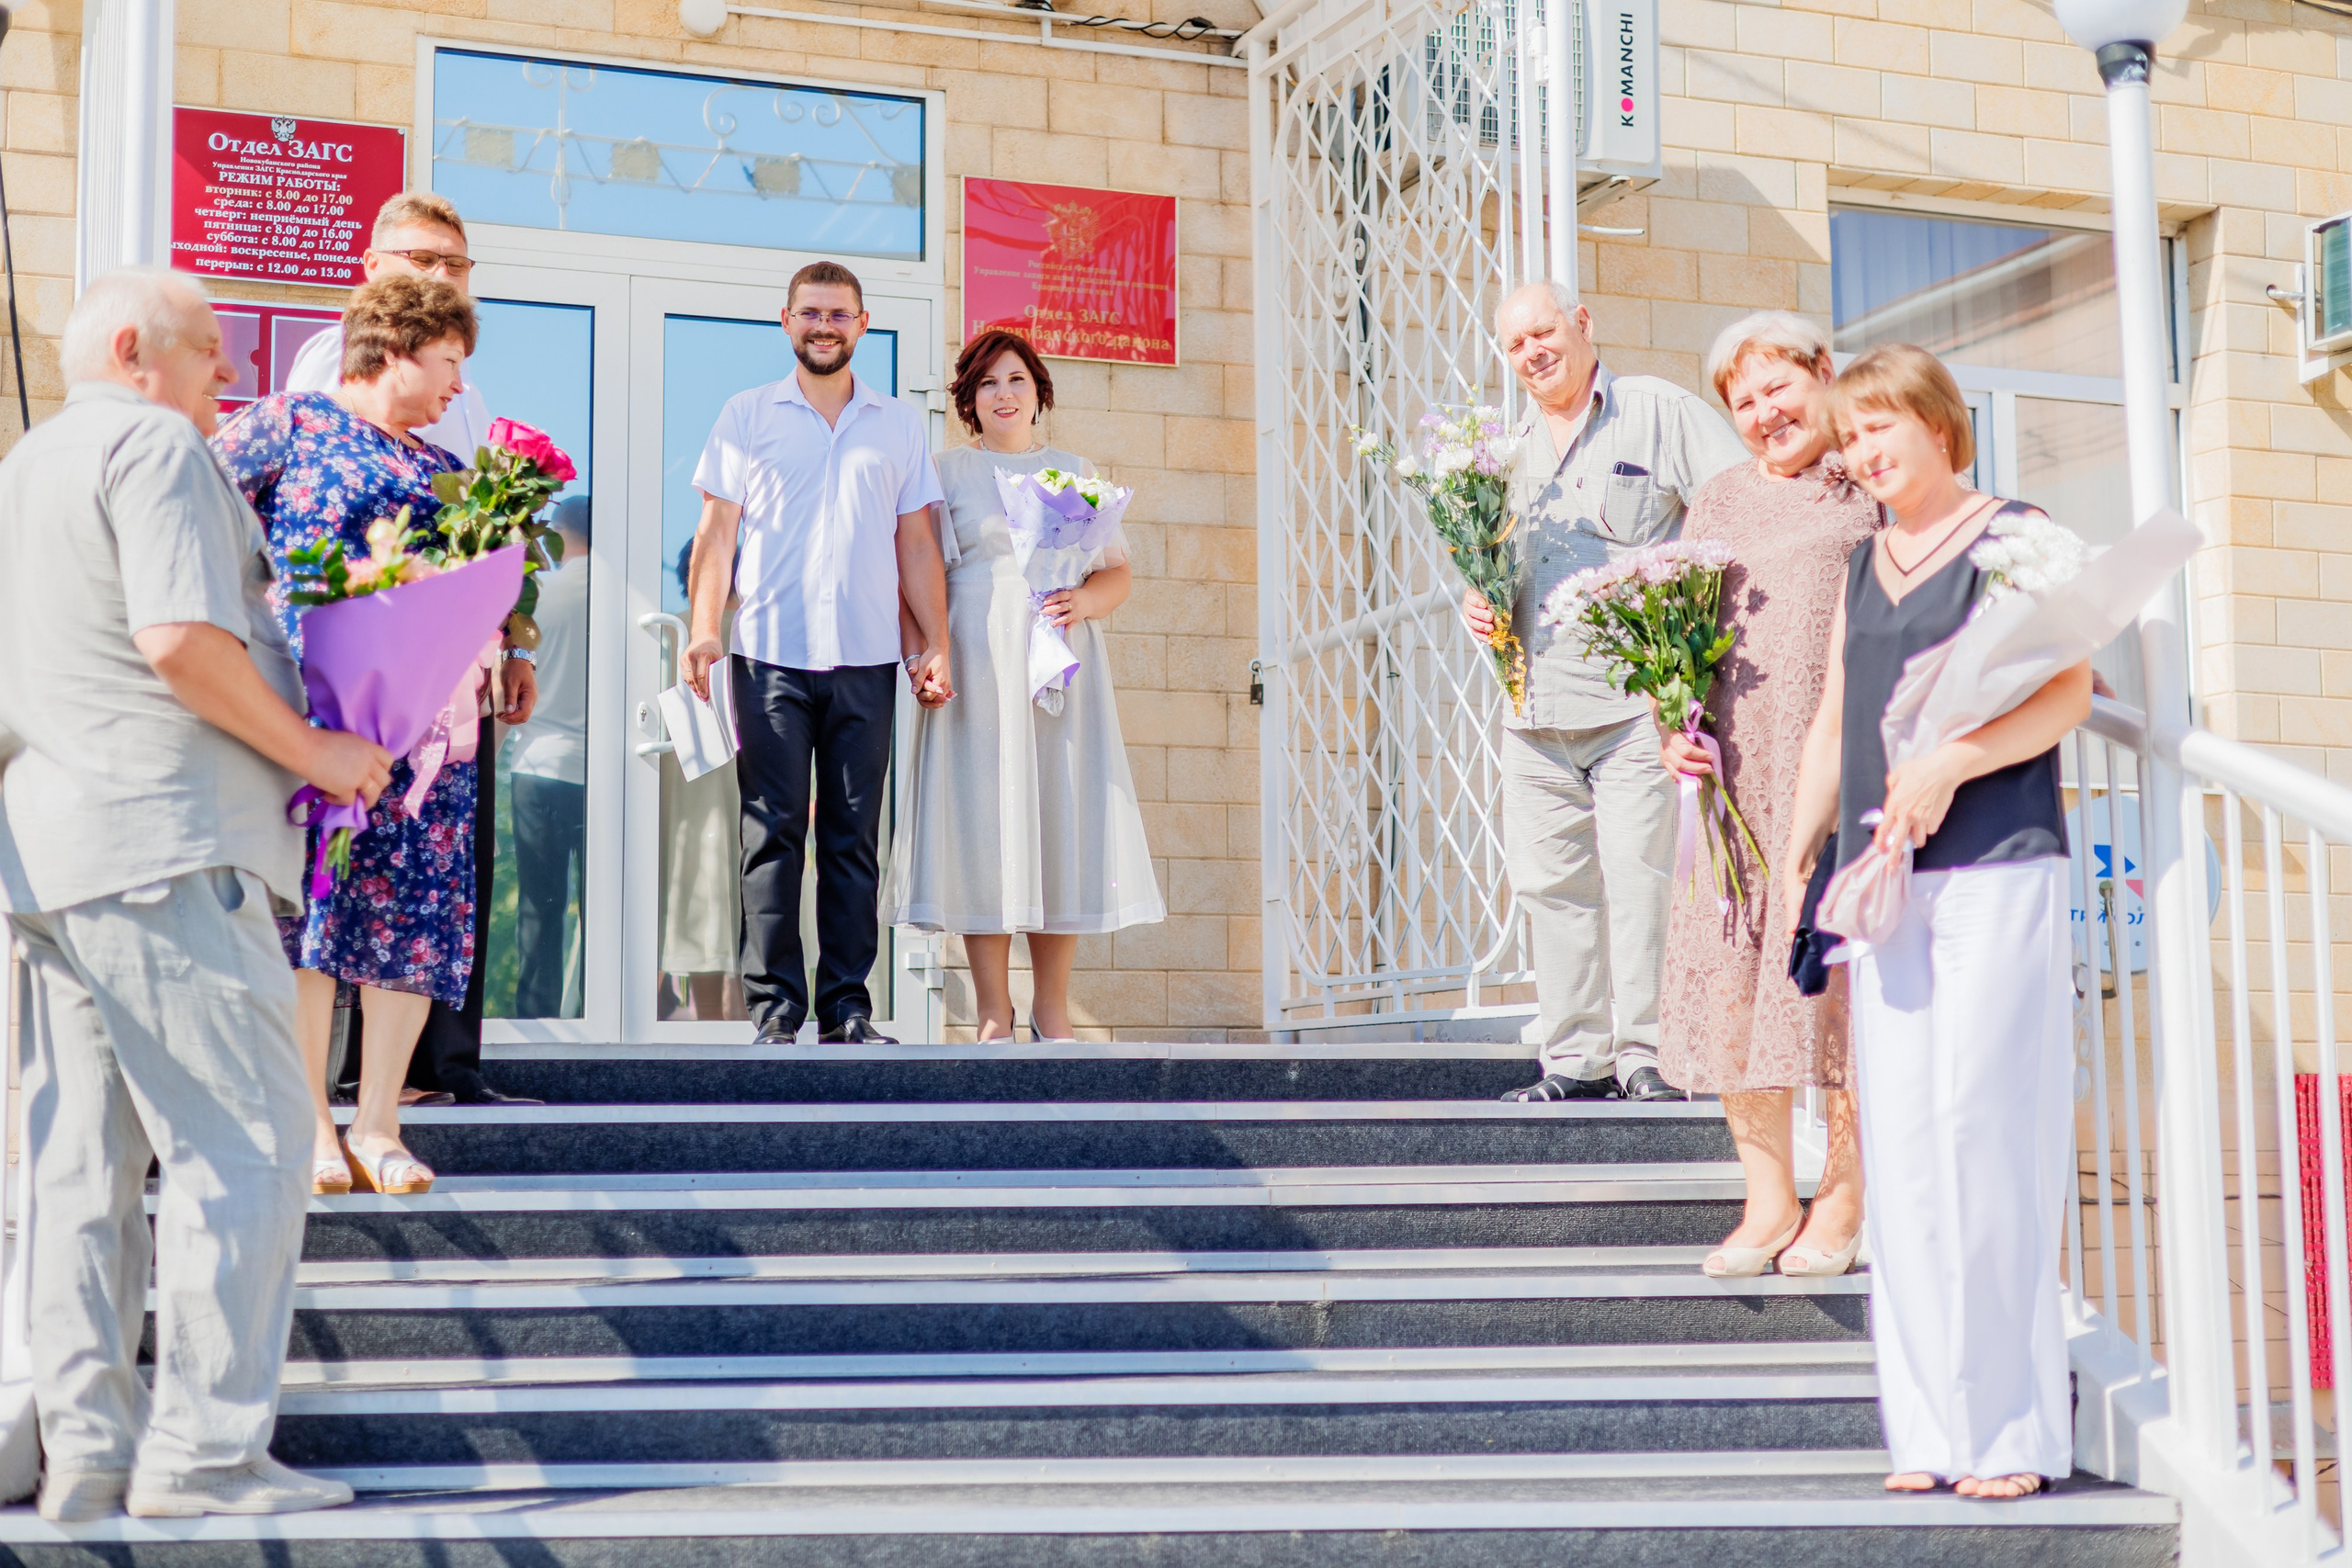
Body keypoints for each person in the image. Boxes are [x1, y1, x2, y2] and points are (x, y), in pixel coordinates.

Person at [0, 267, 382, 1518]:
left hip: (53, 859)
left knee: (78, 1175)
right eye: (211, 348)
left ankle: (87, 1453)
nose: (232, 372)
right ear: (134, 349)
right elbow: (180, 640)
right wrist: (317, 750)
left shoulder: (23, 469)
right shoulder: (157, 445)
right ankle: (206, 1457)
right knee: (251, 1143)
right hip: (169, 845)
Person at [1780, 344, 2087, 1499]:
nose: (1863, 452)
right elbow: (1832, 720)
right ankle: (1924, 1433)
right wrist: (1795, 855)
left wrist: (1954, 760)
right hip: (1881, 879)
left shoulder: (2015, 535)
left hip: (1995, 864)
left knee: (1985, 1132)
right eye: (1849, 436)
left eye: (1879, 427)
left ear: (1937, 423)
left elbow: (2063, 693)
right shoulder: (1862, 564)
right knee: (1902, 1144)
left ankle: (2008, 1435)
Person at [213, 274, 492, 1196]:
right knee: (312, 913)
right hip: (310, 720)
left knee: (409, 911)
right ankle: (310, 1125)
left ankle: (377, 1124)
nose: (457, 384)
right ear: (397, 349)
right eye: (448, 361)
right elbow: (192, 520)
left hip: (418, 738)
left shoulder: (438, 466)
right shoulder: (290, 421)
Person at [280, 190, 538, 1106]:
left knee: (435, 879)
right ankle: (330, 1092)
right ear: (374, 270)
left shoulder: (462, 404)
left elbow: (483, 531)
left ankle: (431, 1076)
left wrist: (511, 637)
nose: (440, 277)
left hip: (444, 685)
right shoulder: (322, 370)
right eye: (422, 260)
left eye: (454, 265)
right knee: (336, 883)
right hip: (348, 680)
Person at [1465, 280, 1747, 1103]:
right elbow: (1495, 562)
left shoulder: (1658, 412)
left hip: (1636, 708)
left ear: (1583, 323)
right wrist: (1478, 599)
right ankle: (1574, 1061)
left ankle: (1648, 1056)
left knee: (1640, 878)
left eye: (1543, 333)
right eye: (1515, 345)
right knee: (1549, 886)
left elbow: (1738, 510)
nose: (1532, 354)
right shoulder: (1506, 450)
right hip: (1534, 708)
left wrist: (1700, 648)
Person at [1656, 313, 1875, 1279]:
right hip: (1735, 772)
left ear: (1822, 371)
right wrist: (1670, 725)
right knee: (1732, 971)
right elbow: (1676, 628)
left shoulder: (1867, 481)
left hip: (1839, 764)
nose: (1763, 413)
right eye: (1742, 402)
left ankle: (1845, 1196)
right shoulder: (1718, 499)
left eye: (1777, 386)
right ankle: (1767, 1197)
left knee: (1838, 978)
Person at [684, 259, 950, 1044]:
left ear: (862, 325)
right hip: (769, 657)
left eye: (839, 314)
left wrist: (935, 643)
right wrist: (704, 627)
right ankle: (774, 1012)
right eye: (811, 312)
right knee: (770, 835)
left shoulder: (898, 424)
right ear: (786, 320)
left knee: (853, 839)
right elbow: (717, 535)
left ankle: (846, 1008)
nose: (824, 326)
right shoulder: (746, 415)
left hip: (866, 659)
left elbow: (916, 544)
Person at [885, 331, 1165, 1039]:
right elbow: (910, 570)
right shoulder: (944, 472)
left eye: (1016, 379)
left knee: (1056, 822)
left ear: (1039, 392)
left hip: (1056, 673)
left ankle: (1050, 1008)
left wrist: (1085, 602)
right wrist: (921, 658)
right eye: (987, 383)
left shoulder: (1073, 471)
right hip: (976, 668)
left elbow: (1117, 572)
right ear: (968, 401)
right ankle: (992, 1008)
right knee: (983, 827)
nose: (1003, 394)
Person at [505, 494, 591, 1017]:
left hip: (537, 767)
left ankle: (537, 1023)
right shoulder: (623, 597)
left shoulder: (536, 597)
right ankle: (596, 1017)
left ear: (558, 535)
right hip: (604, 773)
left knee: (540, 908)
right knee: (604, 909)